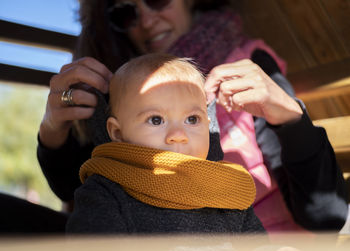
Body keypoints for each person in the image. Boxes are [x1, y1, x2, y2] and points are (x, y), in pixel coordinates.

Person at [37, 0, 348, 233]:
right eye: (126, 13)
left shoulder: (245, 67)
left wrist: (291, 117)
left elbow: (326, 214)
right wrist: (53, 128)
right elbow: (78, 188)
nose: (146, 20)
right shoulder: (115, 85)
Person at [66, 53, 265, 234]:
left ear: (208, 125)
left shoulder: (226, 186)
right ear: (118, 133)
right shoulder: (107, 189)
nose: (178, 135)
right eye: (156, 120)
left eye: (192, 119)